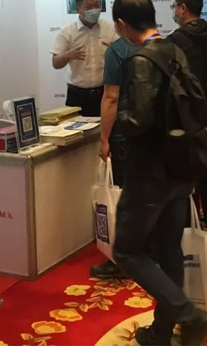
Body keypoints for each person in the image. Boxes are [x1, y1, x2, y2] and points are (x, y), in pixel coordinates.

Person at [111, 0, 207, 346]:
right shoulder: (174, 49)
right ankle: (161, 332)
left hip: (149, 172)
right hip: (181, 165)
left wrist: (117, 121)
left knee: (127, 250)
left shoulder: (140, 60)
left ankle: (187, 314)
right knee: (169, 248)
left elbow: (138, 120)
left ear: (122, 24)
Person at [168, 0, 207, 234]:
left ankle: (191, 219)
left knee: (188, 164)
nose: (174, 11)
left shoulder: (177, 39)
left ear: (183, 8)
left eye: (174, 6)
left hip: (186, 109)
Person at [89, 34, 138, 280]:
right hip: (151, 132)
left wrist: (104, 139)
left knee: (123, 198)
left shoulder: (118, 51)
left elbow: (111, 97)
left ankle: (123, 260)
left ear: (121, 23)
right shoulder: (159, 44)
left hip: (124, 133)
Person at [51, 0, 116, 117]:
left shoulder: (110, 28)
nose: (94, 10)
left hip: (104, 93)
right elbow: (55, 63)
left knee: (106, 128)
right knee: (74, 129)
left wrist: (115, 51)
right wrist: (69, 55)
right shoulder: (67, 31)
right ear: (78, 9)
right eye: (89, 7)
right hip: (77, 95)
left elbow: (124, 57)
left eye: (97, 5)